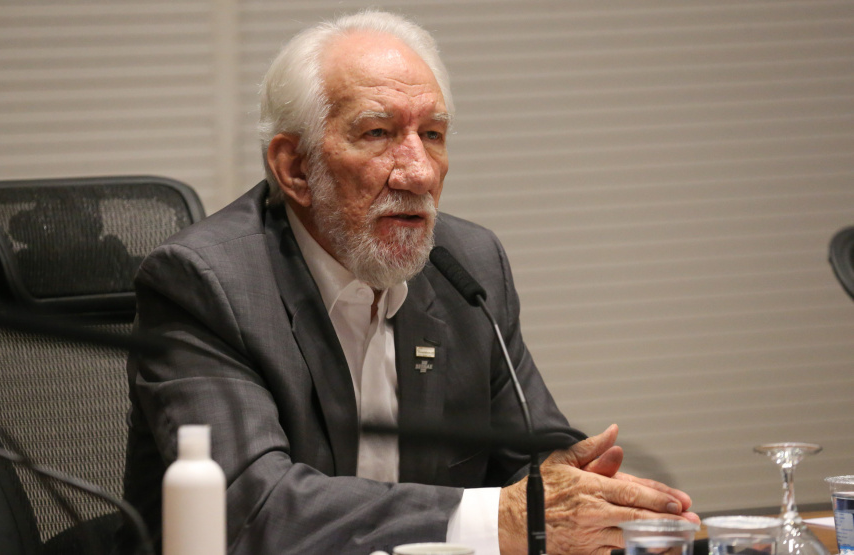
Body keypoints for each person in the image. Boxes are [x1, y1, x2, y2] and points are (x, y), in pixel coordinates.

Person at [121, 10, 699, 555]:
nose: (419, 171)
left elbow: (529, 460)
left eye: (434, 134)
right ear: (295, 168)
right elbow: (252, 510)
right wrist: (499, 520)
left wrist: (574, 485)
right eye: (377, 133)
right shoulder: (208, 284)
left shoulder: (467, 263)